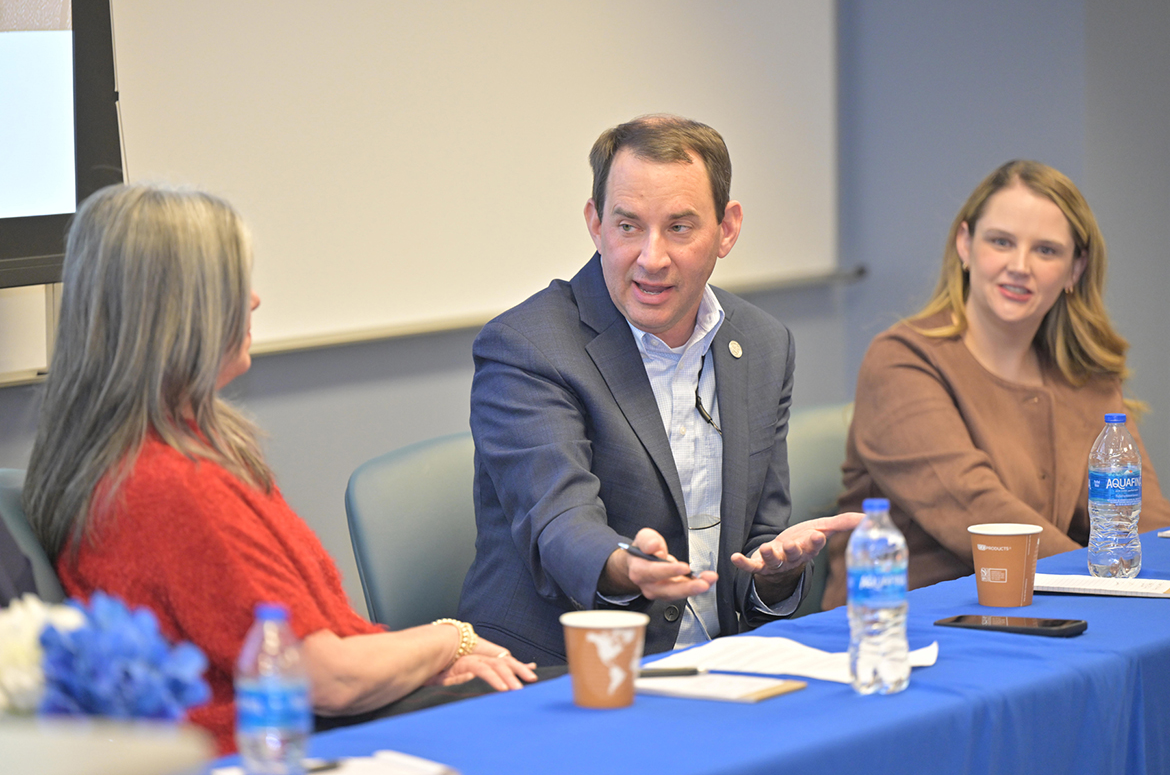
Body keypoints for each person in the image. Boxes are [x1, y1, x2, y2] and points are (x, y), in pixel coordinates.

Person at [22, 184, 536, 753]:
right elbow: (326, 677)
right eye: (234, 286)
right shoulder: (173, 488)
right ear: (181, 314)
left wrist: (412, 664)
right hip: (291, 747)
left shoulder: (137, 458)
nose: (256, 300)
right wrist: (450, 641)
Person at [458, 115, 860, 665]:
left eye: (679, 227)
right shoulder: (527, 347)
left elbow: (756, 547)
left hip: (719, 668)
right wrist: (629, 567)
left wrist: (776, 573)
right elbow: (560, 525)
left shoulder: (762, 345)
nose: (652, 257)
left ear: (727, 229)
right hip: (565, 674)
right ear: (595, 223)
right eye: (628, 226)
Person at [822, 160, 1170, 609]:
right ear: (964, 245)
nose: (1019, 266)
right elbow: (984, 517)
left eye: (1046, 251)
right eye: (1001, 242)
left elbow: (1142, 522)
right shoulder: (900, 362)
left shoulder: (1086, 375)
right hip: (914, 624)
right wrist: (1109, 584)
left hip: (1047, 608)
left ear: (1075, 269)